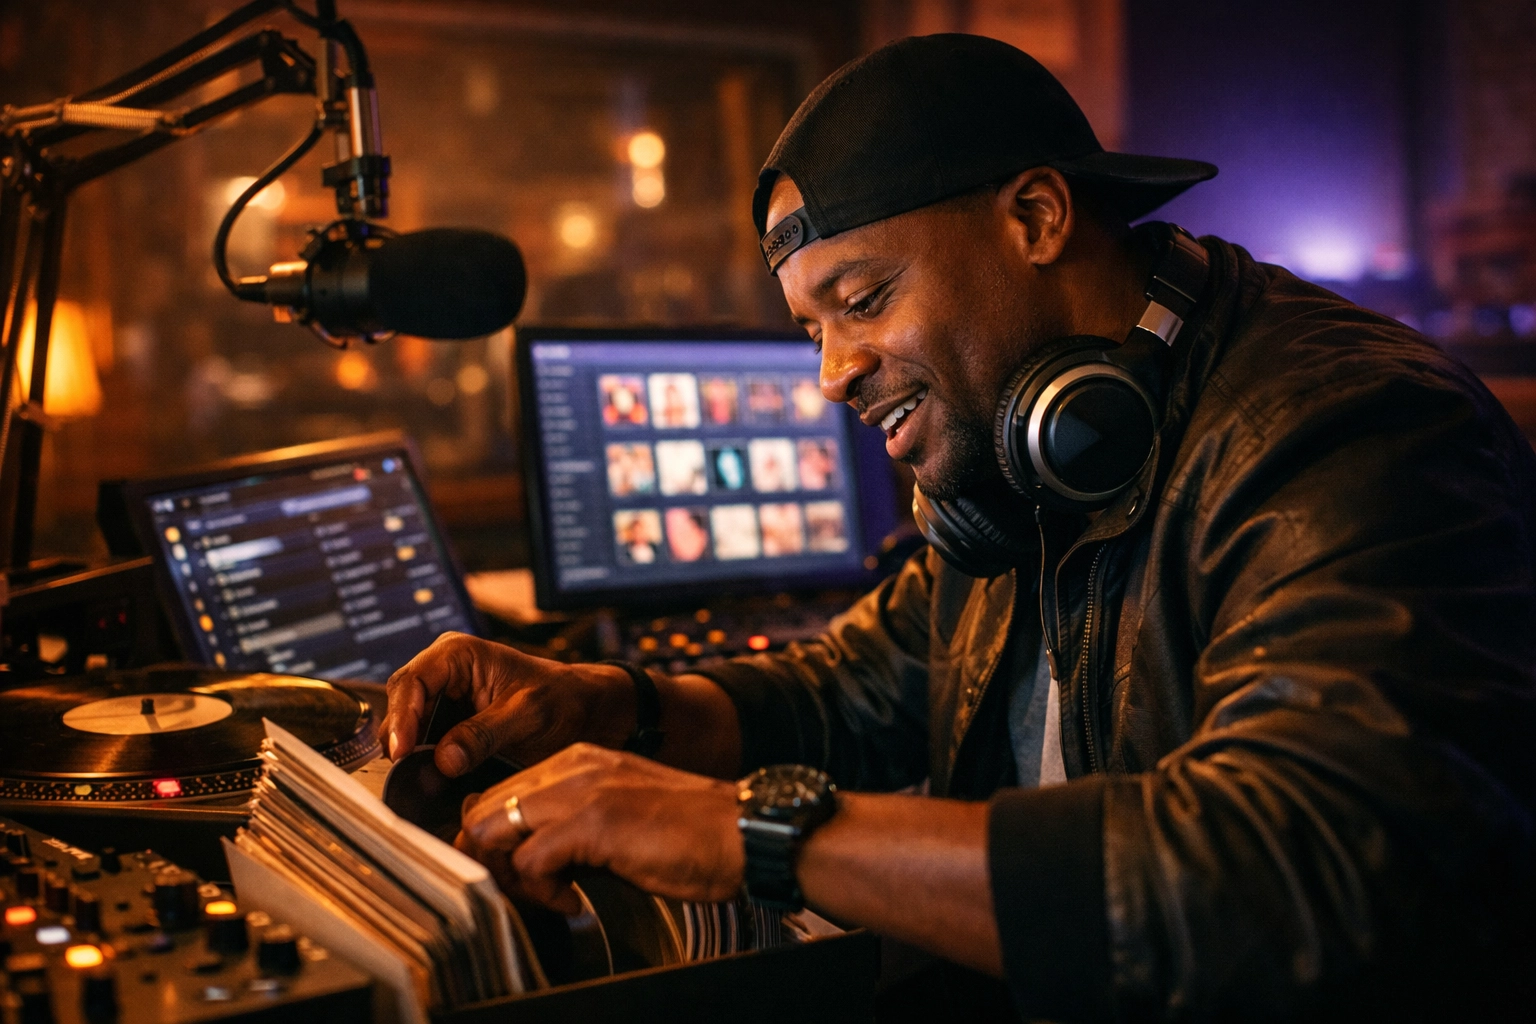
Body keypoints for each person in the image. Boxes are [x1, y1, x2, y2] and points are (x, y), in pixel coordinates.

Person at [385, 35, 1536, 1021]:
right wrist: (609, 704)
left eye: (865, 299)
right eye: (810, 326)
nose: (833, 373)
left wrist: (753, 833)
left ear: (1036, 217)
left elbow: (1301, 865)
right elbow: (858, 691)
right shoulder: (1019, 451)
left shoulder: (1350, 433)